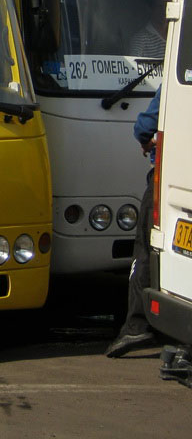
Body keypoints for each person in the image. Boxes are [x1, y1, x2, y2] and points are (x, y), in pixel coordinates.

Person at [105, 86, 160, 358]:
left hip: (168, 174)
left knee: (146, 247)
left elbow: (146, 127)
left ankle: (137, 324)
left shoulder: (181, 71)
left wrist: (146, 138)